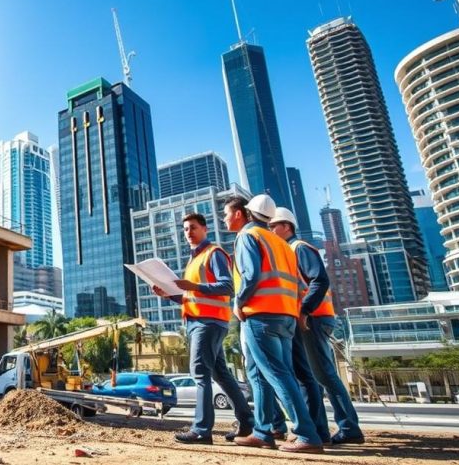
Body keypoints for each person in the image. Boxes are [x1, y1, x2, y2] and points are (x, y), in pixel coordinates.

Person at [226, 194, 324, 453]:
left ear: (245, 213)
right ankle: (262, 432)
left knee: (277, 374)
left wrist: (238, 302)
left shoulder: (249, 236)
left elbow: (250, 275)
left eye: (227, 213)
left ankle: (307, 434)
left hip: (260, 314)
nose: (226, 218)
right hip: (286, 316)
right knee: (259, 374)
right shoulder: (280, 242)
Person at [153, 212, 253, 444]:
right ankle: (247, 423)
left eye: (193, 228)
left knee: (199, 373)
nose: (189, 232)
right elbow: (191, 296)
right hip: (202, 321)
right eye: (185, 229)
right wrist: (169, 294)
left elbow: (227, 286)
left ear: (205, 229)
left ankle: (201, 430)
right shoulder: (194, 259)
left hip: (208, 323)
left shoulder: (213, 253)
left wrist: (194, 286)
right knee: (222, 375)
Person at [270, 207, 365, 445]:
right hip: (309, 318)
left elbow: (319, 280)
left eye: (274, 226)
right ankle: (321, 428)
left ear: (287, 227)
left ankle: (349, 427)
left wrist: (304, 310)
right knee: (315, 375)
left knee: (323, 375)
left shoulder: (299, 248)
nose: (271, 230)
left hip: (313, 318)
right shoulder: (289, 250)